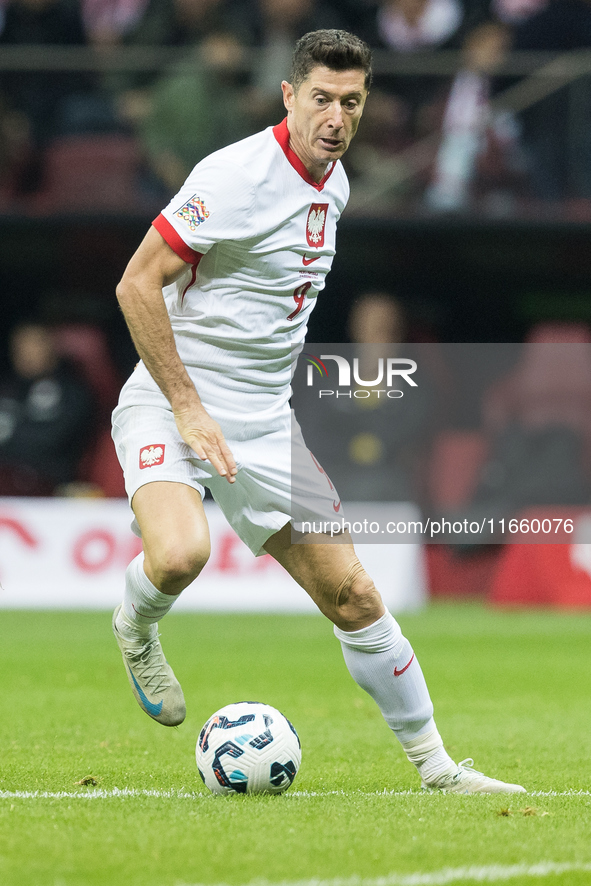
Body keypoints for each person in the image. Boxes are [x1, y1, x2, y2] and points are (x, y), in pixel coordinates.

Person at [111, 28, 525, 794]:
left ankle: (438, 771)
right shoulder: (235, 175)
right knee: (178, 556)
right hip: (174, 401)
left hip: (266, 424)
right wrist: (189, 407)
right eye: (322, 100)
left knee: (355, 595)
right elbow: (136, 284)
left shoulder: (332, 184)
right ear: (288, 97)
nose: (336, 117)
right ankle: (135, 628)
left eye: (352, 102)